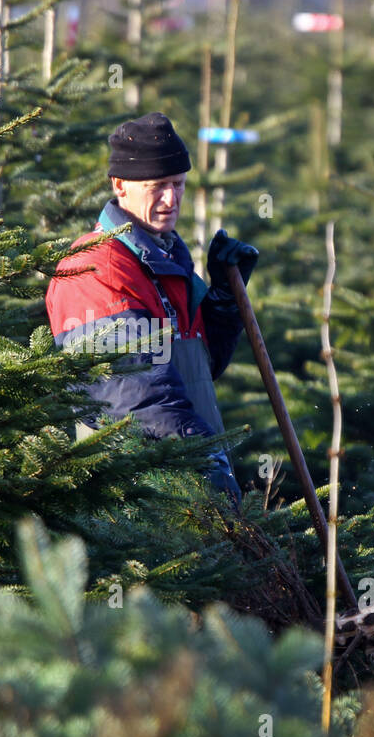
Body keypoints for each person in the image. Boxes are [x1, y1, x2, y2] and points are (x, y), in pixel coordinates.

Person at [45, 112, 258, 503]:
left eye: (178, 184)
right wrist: (205, 460)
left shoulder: (166, 259)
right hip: (137, 499)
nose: (171, 199)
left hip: (180, 487)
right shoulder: (95, 266)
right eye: (157, 186)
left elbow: (197, 368)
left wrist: (224, 302)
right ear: (120, 185)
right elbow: (134, 394)